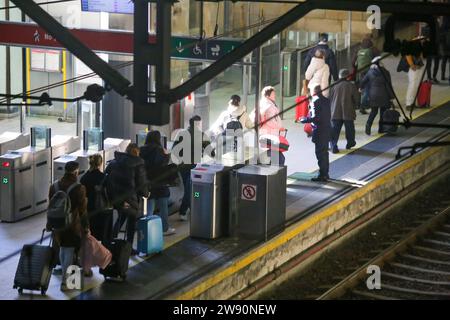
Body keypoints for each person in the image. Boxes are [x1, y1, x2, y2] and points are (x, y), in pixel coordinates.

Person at [48, 161, 88, 291]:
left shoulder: (54, 186)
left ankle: (69, 280)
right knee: (71, 251)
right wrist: (86, 227)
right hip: (72, 225)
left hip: (56, 224)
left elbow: (50, 206)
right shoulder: (79, 188)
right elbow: (82, 210)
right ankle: (68, 282)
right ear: (76, 172)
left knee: (62, 249)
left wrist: (49, 223)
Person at [105, 143, 149, 255]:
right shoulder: (138, 164)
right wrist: (146, 193)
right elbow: (141, 183)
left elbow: (106, 176)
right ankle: (128, 247)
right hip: (130, 199)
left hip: (116, 198)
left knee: (121, 218)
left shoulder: (114, 162)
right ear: (137, 152)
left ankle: (111, 241)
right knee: (131, 222)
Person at [172, 115, 213, 221]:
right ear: (198, 124)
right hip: (194, 166)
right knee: (191, 189)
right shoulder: (202, 135)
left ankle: (191, 207)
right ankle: (183, 211)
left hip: (182, 167)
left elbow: (174, 150)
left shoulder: (181, 133)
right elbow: (211, 152)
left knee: (188, 188)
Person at [140, 131, 176, 236]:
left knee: (150, 206)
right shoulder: (160, 150)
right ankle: (164, 229)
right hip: (160, 182)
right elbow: (163, 164)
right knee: (163, 206)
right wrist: (167, 154)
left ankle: (147, 229)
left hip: (148, 182)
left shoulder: (142, 149)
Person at [300, 85, 331, 182]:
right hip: (327, 130)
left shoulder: (315, 102)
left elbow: (315, 118)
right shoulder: (327, 100)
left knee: (320, 154)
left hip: (319, 131)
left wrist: (304, 120)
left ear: (314, 92)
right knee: (325, 153)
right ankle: (326, 173)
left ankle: (322, 175)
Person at [80, 154, 111, 245]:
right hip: (102, 208)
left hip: (88, 208)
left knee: (91, 233)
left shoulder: (84, 178)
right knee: (103, 233)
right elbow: (109, 192)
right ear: (100, 163)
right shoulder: (103, 177)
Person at [360, 56, 395, 135]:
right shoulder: (386, 72)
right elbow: (388, 85)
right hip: (384, 95)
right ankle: (381, 129)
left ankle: (368, 126)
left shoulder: (370, 72)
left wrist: (360, 87)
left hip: (373, 95)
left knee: (374, 112)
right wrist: (392, 97)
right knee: (383, 113)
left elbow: (363, 81)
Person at [329, 69, 360, 154]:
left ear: (339, 76)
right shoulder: (351, 86)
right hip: (348, 112)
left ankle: (333, 146)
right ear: (348, 76)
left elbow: (330, 99)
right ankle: (350, 143)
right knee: (350, 129)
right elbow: (357, 99)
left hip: (335, 112)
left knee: (334, 130)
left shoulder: (334, 86)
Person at [257, 86, 286, 166]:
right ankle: (275, 175)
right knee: (278, 158)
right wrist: (280, 127)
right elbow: (270, 121)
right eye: (273, 94)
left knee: (271, 156)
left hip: (265, 133)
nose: (275, 95)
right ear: (267, 96)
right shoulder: (269, 106)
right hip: (270, 134)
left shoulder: (263, 103)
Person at [352, 34, 380, 114]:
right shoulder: (373, 49)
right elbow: (378, 59)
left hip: (360, 72)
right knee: (368, 89)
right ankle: (363, 106)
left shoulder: (358, 48)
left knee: (361, 88)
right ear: (371, 39)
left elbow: (353, 62)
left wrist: (356, 68)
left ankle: (359, 104)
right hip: (369, 72)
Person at [405, 36, 426, 109]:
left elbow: (421, 56)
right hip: (413, 69)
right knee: (413, 85)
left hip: (418, 67)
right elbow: (408, 55)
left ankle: (412, 102)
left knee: (416, 85)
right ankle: (408, 103)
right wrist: (412, 65)